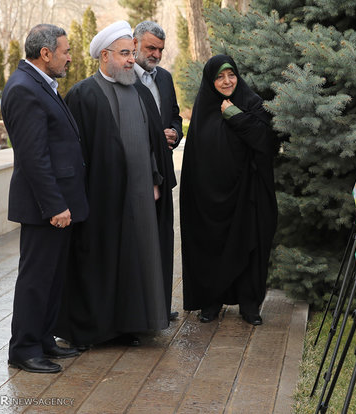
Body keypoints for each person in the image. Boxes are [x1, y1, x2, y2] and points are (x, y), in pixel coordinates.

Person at [54, 20, 169, 347]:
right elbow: (71, 154)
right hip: (100, 198)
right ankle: (93, 331)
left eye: (132, 53)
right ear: (104, 56)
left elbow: (151, 145)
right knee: (98, 263)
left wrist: (155, 179)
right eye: (124, 54)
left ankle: (127, 326)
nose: (131, 60)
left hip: (139, 197)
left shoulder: (141, 93)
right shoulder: (82, 95)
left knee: (134, 260)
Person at [2, 24, 88, 373]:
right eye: (66, 51)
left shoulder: (41, 84)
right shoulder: (24, 89)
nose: (70, 57)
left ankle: (43, 339)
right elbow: (33, 157)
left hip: (59, 201)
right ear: (46, 53)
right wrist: (54, 205)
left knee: (52, 278)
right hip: (46, 207)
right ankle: (23, 349)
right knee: (36, 279)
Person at [180, 54, 278, 326]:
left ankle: (249, 304)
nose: (226, 81)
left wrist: (236, 116)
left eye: (231, 75)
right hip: (210, 195)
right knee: (213, 245)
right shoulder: (203, 109)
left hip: (247, 193)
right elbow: (196, 155)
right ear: (211, 81)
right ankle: (211, 302)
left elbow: (265, 141)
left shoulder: (252, 103)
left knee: (249, 244)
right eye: (219, 77)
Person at [132, 20, 183, 322]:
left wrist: (174, 134)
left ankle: (162, 306)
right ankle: (142, 310)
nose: (156, 54)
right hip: (139, 176)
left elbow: (174, 116)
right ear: (135, 44)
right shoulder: (123, 78)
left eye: (161, 49)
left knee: (164, 241)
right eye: (151, 47)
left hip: (165, 174)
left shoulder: (164, 78)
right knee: (140, 244)